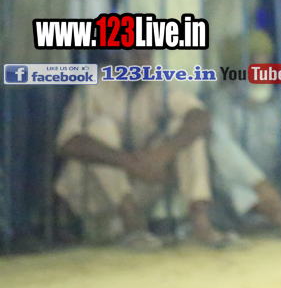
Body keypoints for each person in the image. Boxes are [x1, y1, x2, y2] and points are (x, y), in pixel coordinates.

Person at [55, 53, 236, 249]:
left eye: (146, 54)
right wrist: (130, 162)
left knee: (184, 129)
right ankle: (131, 222)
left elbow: (200, 116)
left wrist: (162, 154)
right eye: (136, 53)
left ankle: (201, 223)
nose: (143, 60)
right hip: (93, 196)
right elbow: (68, 141)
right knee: (99, 127)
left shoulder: (157, 84)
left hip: (141, 186)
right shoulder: (94, 83)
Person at [0, 0, 90, 251]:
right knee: (12, 149)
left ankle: (42, 223)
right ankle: (11, 228)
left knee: (47, 145)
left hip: (53, 63)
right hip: (12, 63)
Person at [208, 30, 281, 239]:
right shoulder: (221, 102)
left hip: (278, 182)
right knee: (228, 178)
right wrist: (259, 183)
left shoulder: (279, 100)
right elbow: (224, 149)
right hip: (242, 188)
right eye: (254, 62)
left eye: (265, 61)